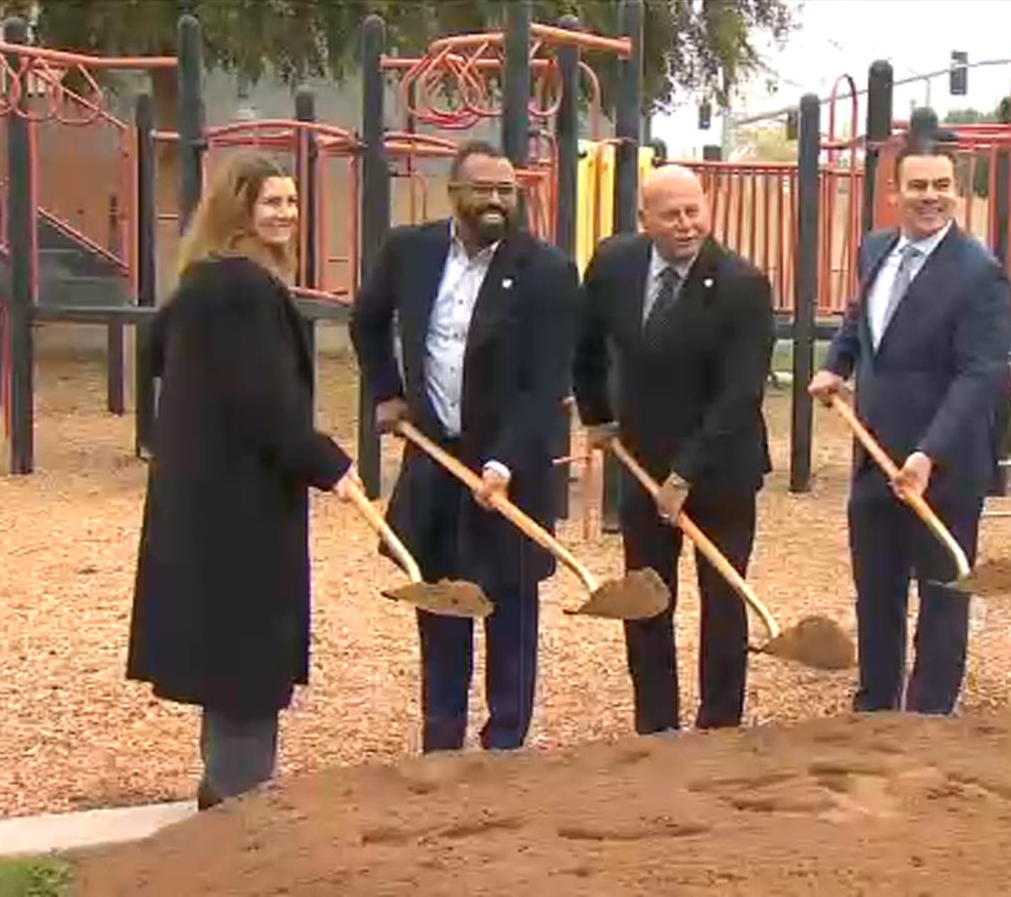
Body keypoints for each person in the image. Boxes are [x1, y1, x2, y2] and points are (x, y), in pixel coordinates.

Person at [126, 153, 364, 810]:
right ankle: (239, 817)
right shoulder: (243, 290)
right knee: (246, 662)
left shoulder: (201, 284)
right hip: (240, 510)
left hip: (207, 503)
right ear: (239, 211)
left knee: (227, 661)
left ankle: (225, 792)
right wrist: (329, 464)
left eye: (290, 202)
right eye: (271, 203)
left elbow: (160, 356)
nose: (285, 213)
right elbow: (264, 403)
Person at [349, 140, 579, 754]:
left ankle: (505, 741)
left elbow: (547, 381)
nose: (497, 200)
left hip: (511, 465)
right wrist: (388, 392)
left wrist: (504, 462)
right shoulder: (410, 251)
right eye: (483, 189)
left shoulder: (547, 270)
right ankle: (441, 738)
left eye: (506, 189)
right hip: (434, 455)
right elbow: (366, 319)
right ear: (454, 194)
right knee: (443, 600)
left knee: (512, 606)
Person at [808, 134, 1011, 716]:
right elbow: (861, 318)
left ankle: (928, 720)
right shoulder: (876, 248)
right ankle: (875, 709)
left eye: (943, 186)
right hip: (874, 453)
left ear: (958, 191)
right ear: (895, 191)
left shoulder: (980, 274)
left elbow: (981, 375)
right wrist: (835, 365)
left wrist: (928, 454)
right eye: (919, 186)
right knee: (877, 592)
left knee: (943, 596)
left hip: (942, 466)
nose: (931, 197)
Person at [572, 164, 776, 736]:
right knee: (647, 599)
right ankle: (655, 726)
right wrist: (598, 418)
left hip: (721, 468)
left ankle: (718, 726)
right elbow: (585, 345)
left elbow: (741, 393)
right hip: (642, 464)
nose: (687, 225)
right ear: (645, 220)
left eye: (694, 211)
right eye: (672, 215)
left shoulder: (741, 283)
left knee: (722, 600)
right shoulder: (615, 264)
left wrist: (686, 475)